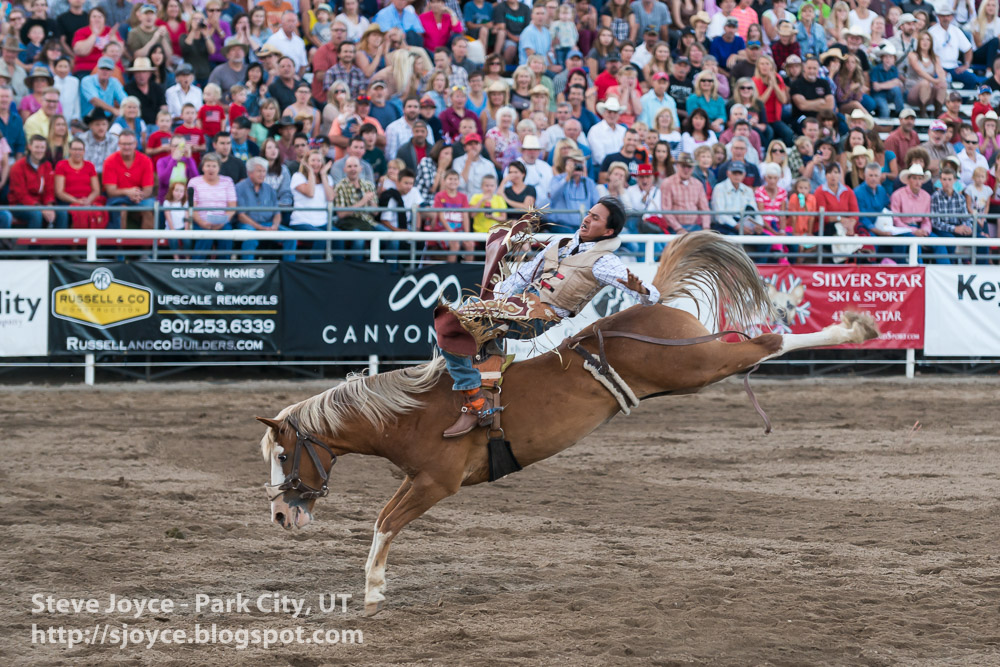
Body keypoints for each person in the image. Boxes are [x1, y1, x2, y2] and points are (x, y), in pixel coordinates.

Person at [437, 198, 660, 437]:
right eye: (589, 213)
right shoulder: (560, 243)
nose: (587, 219)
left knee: (454, 320)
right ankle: (484, 389)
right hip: (517, 305)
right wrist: (491, 300)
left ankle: (474, 401)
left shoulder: (604, 261)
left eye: (596, 218)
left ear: (608, 231)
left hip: (538, 317)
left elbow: (652, 297)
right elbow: (522, 277)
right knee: (462, 316)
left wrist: (641, 290)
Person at [236, 157, 297, 261]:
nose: (262, 174)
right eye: (259, 171)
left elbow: (277, 213)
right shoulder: (239, 188)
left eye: (264, 171)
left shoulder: (269, 189)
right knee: (250, 239)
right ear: (249, 172)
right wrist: (259, 227)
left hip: (268, 224)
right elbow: (241, 216)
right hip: (248, 225)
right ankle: (248, 271)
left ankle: (289, 271)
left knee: (291, 237)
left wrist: (275, 226)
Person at [9, 134, 68, 229]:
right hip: (19, 204)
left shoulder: (47, 165)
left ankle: (60, 244)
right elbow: (21, 194)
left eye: (42, 147)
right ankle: (33, 243)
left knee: (62, 213)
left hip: (41, 203)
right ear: (30, 147)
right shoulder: (18, 167)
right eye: (37, 147)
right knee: (36, 215)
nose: (39, 150)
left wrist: (49, 205)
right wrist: (40, 208)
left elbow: (49, 190)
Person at [188, 152, 237, 259]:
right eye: (208, 165)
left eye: (214, 166)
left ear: (219, 168)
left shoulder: (227, 181)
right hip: (200, 222)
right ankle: (196, 268)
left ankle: (224, 268)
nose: (211, 169)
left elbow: (232, 207)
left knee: (226, 235)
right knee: (205, 237)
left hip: (222, 222)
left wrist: (222, 222)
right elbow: (192, 208)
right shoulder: (194, 182)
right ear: (203, 167)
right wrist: (202, 223)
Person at [103, 130, 155, 230]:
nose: (127, 147)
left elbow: (148, 189)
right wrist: (128, 192)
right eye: (124, 144)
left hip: (140, 197)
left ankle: (147, 245)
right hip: (118, 198)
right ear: (119, 144)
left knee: (148, 210)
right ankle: (119, 243)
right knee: (121, 209)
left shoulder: (145, 160)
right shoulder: (110, 161)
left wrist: (137, 195)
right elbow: (110, 191)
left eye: (130, 144)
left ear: (135, 144)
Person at [289, 150, 335, 258]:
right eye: (313, 160)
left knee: (339, 238)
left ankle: (339, 268)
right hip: (301, 222)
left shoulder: (328, 178)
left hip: (322, 223)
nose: (316, 163)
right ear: (307, 162)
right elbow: (310, 193)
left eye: (319, 160)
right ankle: (314, 268)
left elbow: (330, 197)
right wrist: (310, 172)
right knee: (321, 237)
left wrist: (323, 175)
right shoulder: (298, 176)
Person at [930, 7, 984, 91]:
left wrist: (966, 65)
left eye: (948, 16)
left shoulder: (956, 30)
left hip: (954, 67)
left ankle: (960, 101)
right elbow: (929, 53)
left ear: (951, 17)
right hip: (938, 67)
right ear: (938, 17)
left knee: (973, 79)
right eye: (943, 16)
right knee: (939, 82)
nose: (945, 18)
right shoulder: (932, 32)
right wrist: (938, 68)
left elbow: (968, 49)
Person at [548, 149, 601, 233]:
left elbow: (597, 204)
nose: (578, 166)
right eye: (575, 163)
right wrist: (567, 177)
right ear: (567, 164)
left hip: (584, 226)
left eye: (580, 163)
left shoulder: (589, 183)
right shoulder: (558, 179)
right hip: (562, 226)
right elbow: (553, 196)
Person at [930, 167, 973, 264]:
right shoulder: (935, 197)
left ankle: (982, 269)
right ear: (940, 180)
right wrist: (955, 229)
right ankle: (951, 268)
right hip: (942, 229)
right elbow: (935, 222)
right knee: (950, 240)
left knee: (981, 241)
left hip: (958, 227)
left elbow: (965, 217)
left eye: (949, 179)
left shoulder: (960, 197)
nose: (947, 182)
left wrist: (968, 227)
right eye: (944, 179)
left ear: (955, 180)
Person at [659, 152, 711, 233]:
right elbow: (666, 210)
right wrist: (678, 229)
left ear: (693, 168)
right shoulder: (667, 183)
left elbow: (705, 209)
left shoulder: (698, 184)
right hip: (674, 228)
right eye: (683, 166)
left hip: (695, 227)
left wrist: (706, 228)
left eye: (689, 166)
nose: (686, 170)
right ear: (677, 166)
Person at [710, 161, 759, 233]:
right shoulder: (719, 188)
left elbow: (754, 210)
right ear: (728, 173)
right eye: (734, 173)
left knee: (765, 240)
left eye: (740, 173)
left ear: (744, 174)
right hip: (725, 225)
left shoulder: (748, 190)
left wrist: (758, 224)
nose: (737, 176)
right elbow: (720, 216)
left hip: (743, 222)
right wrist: (737, 226)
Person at [890, 163, 932, 238]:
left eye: (920, 178)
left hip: (921, 228)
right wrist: (913, 230)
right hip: (904, 229)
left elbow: (926, 220)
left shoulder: (927, 196)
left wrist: (925, 231)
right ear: (908, 180)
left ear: (923, 181)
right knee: (916, 245)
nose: (917, 182)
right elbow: (896, 220)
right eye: (914, 178)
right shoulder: (897, 195)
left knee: (939, 245)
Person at [452, 133, 496, 198]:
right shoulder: (457, 162)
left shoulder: (488, 164)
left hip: (482, 202)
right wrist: (468, 161)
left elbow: (494, 186)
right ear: (465, 147)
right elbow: (460, 184)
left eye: (476, 143)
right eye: (470, 144)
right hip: (463, 202)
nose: (473, 146)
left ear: (481, 147)